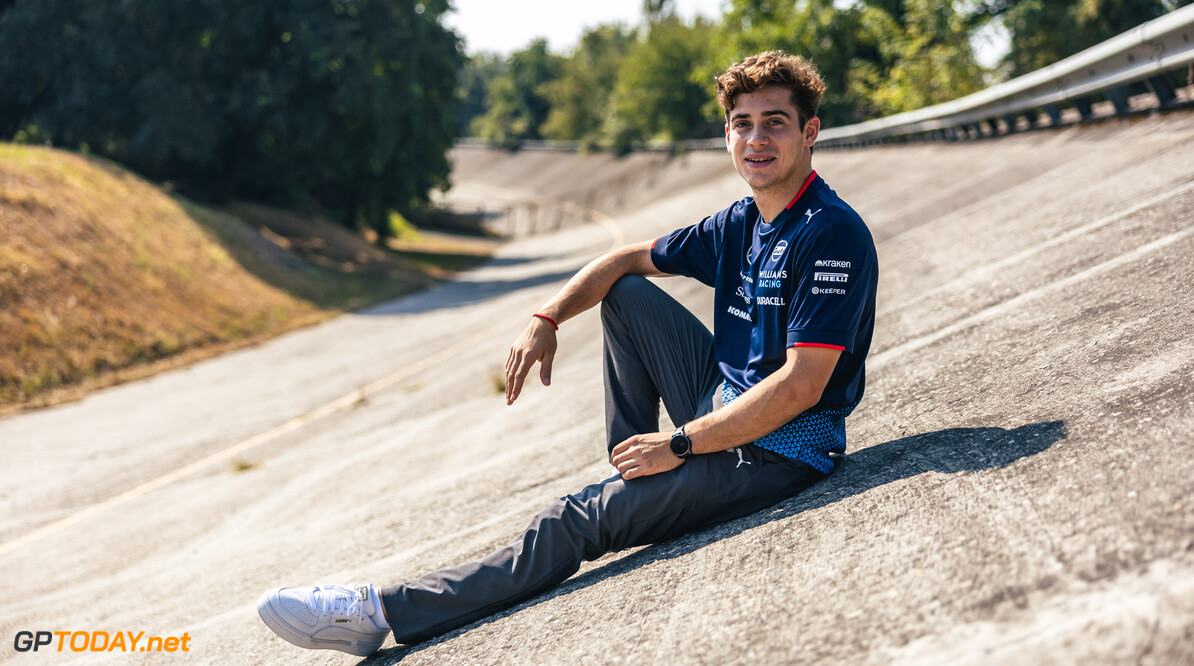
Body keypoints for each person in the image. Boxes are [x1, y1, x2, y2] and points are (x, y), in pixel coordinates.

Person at [257, 50, 878, 657]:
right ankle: (632, 477)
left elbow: (802, 386)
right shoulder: (742, 222)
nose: (757, 138)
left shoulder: (829, 232)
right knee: (626, 293)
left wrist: (681, 445)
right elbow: (627, 258)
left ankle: (381, 612)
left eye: (775, 122)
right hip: (723, 400)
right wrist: (546, 317)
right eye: (743, 124)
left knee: (571, 521)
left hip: (777, 448)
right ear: (727, 134)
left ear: (810, 132)